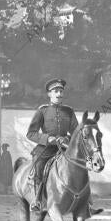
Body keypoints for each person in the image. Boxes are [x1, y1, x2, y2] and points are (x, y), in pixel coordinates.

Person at [26, 78, 78, 211]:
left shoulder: (69, 111)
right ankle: (37, 200)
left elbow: (76, 133)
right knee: (39, 168)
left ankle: (82, 198)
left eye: (61, 91)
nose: (59, 94)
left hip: (64, 150)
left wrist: (66, 139)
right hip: (46, 149)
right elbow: (31, 133)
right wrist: (47, 138)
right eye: (55, 91)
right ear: (49, 94)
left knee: (79, 166)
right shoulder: (42, 111)